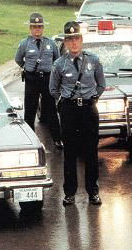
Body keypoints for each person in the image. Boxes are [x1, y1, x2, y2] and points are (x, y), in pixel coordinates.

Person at [49, 21, 106, 206]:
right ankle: (70, 192)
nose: (73, 43)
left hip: (88, 110)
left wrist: (91, 98)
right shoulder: (59, 64)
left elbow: (101, 84)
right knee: (70, 152)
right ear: (65, 42)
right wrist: (66, 101)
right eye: (69, 39)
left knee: (91, 151)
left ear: (81, 40)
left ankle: (93, 192)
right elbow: (53, 89)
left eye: (76, 39)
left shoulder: (93, 60)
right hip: (69, 110)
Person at [15, 12, 62, 148]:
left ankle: (57, 139)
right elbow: (18, 59)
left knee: (51, 110)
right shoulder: (25, 43)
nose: (37, 30)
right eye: (35, 27)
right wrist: (27, 68)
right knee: (30, 110)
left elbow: (57, 60)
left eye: (40, 27)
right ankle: (30, 140)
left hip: (47, 79)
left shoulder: (50, 43)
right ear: (30, 28)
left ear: (43, 28)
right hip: (32, 79)